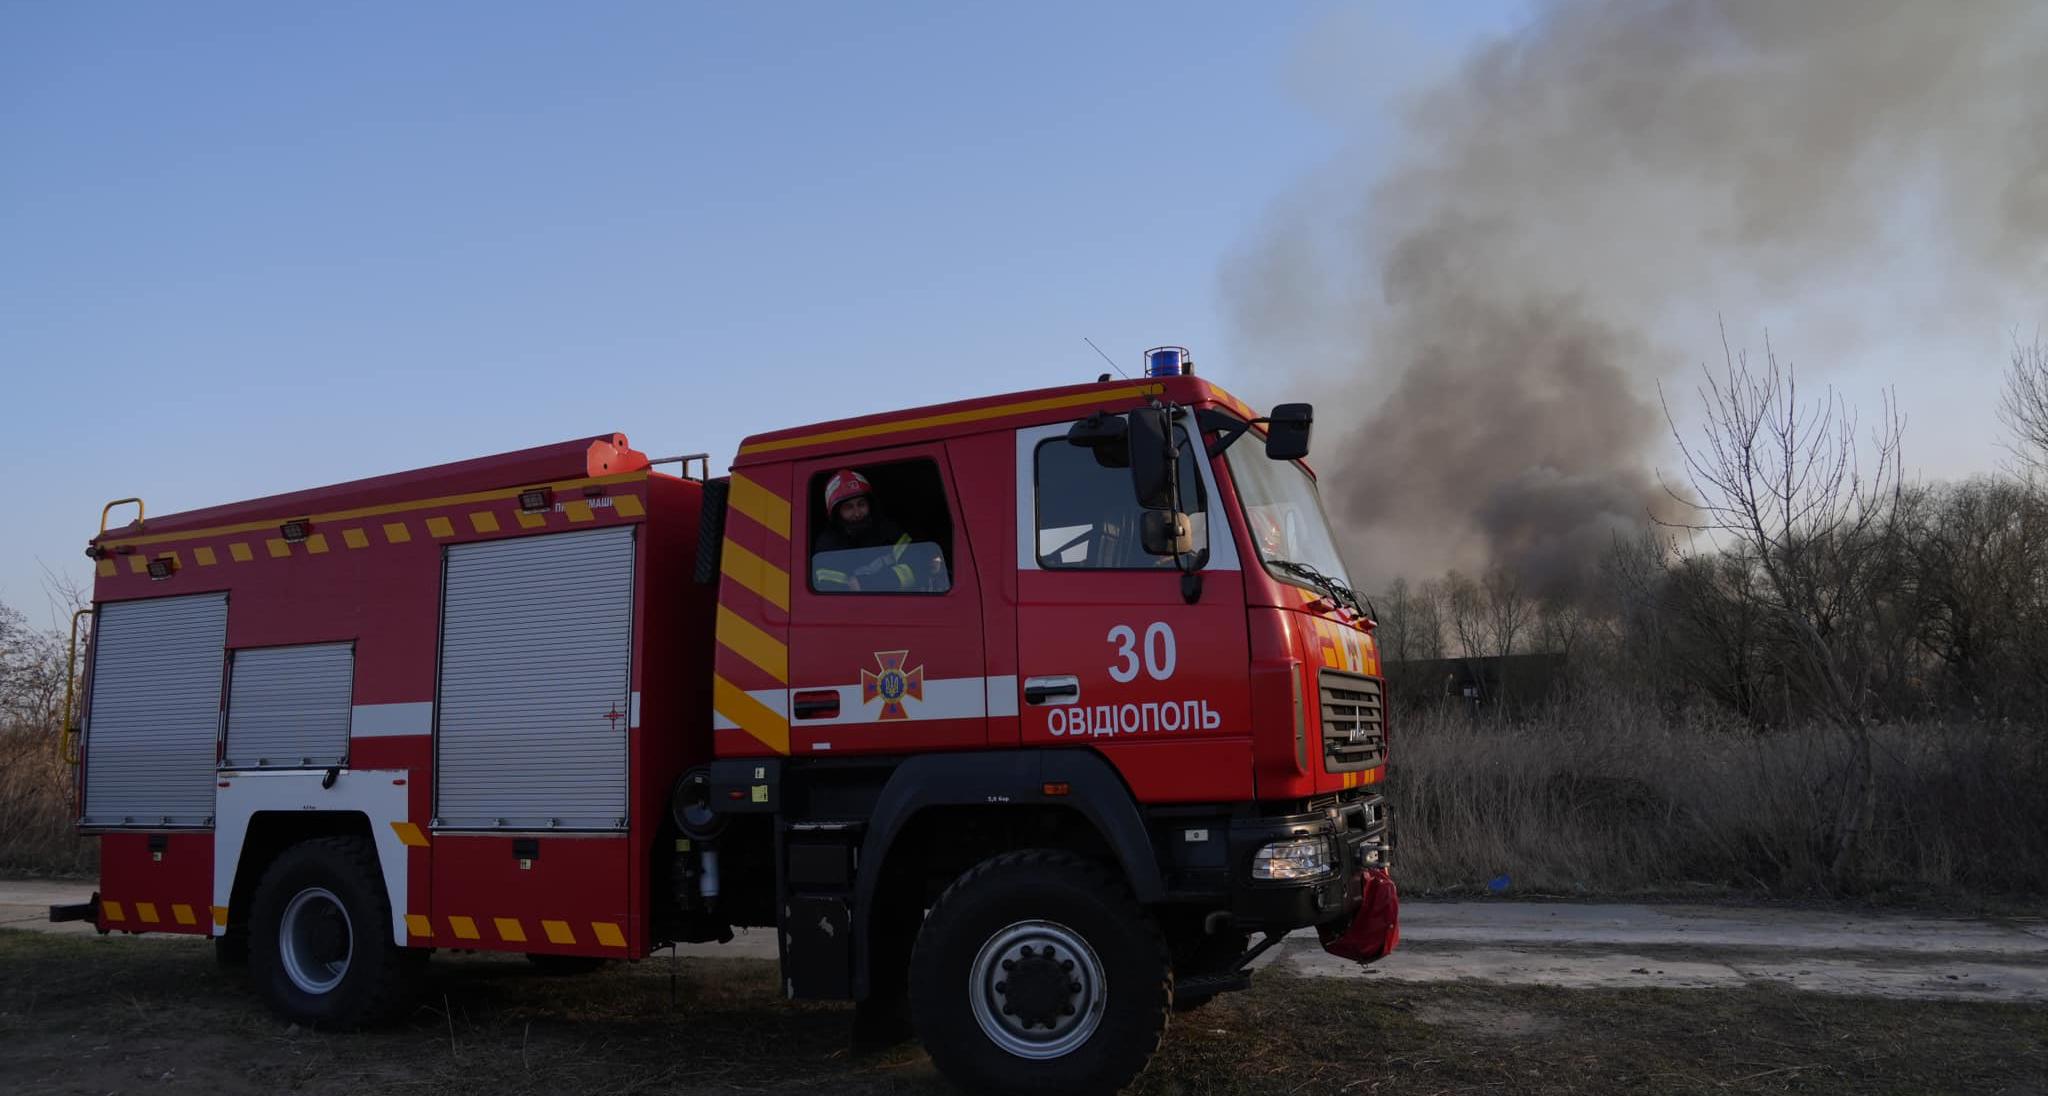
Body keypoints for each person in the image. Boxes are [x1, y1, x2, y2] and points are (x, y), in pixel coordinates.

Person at [812, 469, 940, 591]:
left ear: (870, 505)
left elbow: (920, 566)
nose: (857, 513)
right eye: (848, 507)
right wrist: (896, 576)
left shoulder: (888, 530)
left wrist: (867, 583)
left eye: (861, 504)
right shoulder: (827, 546)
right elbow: (832, 590)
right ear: (836, 513)